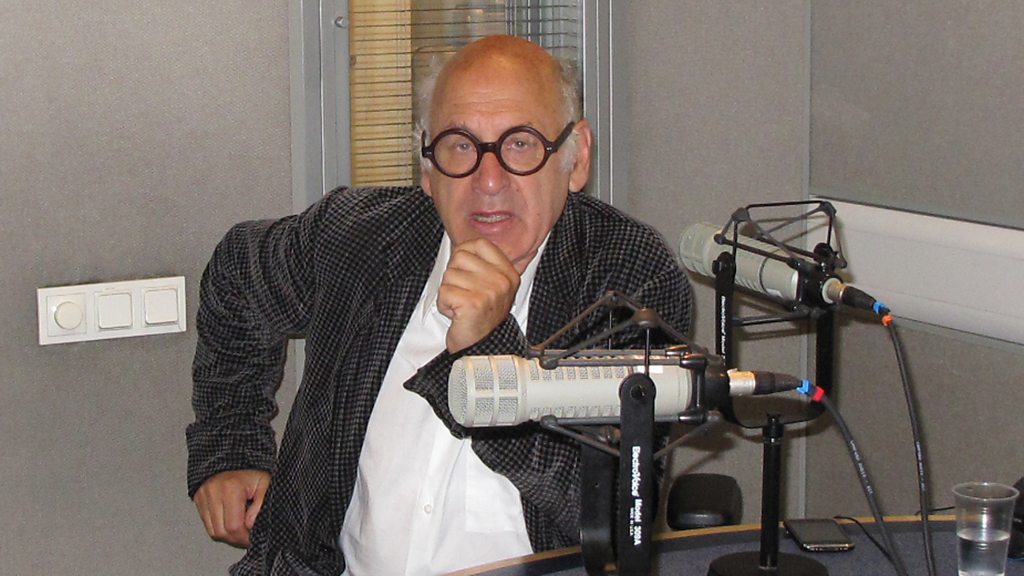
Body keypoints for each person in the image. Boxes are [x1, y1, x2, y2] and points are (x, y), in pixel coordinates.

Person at [186, 35, 692, 575]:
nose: (488, 180)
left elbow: (614, 513)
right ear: (427, 168)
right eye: (460, 145)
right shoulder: (360, 239)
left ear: (576, 156)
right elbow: (239, 273)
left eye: (521, 143)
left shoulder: (625, 278)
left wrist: (487, 351)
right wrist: (230, 446)